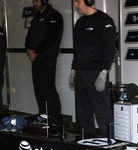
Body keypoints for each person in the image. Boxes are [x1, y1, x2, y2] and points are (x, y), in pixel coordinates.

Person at [70, 0, 116, 136]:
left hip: (96, 73)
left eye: (78, 2)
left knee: (102, 111)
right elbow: (77, 50)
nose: (76, 5)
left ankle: (110, 143)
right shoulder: (80, 23)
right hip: (81, 73)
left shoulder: (104, 21)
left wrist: (103, 72)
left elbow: (110, 50)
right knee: (83, 112)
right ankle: (88, 142)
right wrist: (73, 69)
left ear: (88, 1)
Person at [25, 0, 63, 123]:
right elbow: (29, 36)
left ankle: (56, 122)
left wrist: (37, 53)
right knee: (39, 92)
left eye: (36, 1)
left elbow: (51, 39)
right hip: (36, 60)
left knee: (49, 91)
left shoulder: (54, 16)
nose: (34, 3)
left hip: (47, 60)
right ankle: (43, 119)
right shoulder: (37, 17)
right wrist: (28, 50)